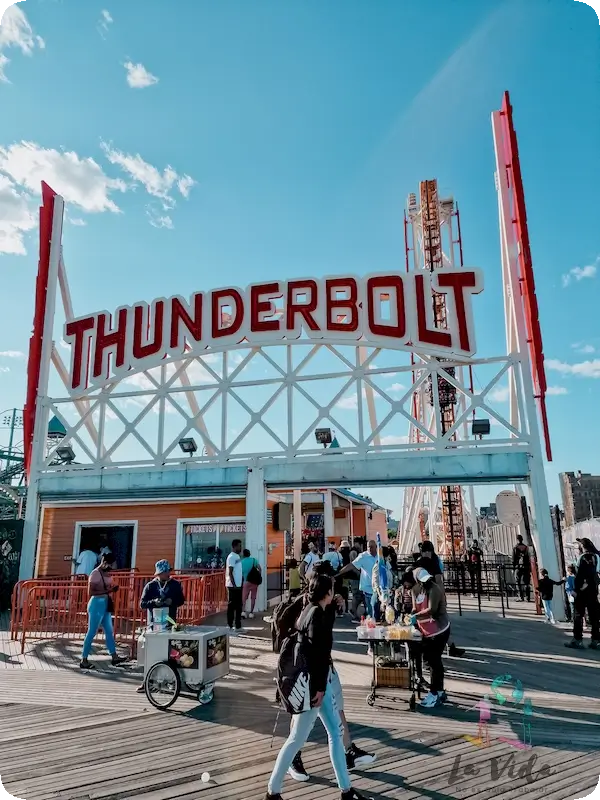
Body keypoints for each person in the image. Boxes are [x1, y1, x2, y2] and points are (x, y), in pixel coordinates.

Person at [266, 573, 373, 800]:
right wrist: (319, 689)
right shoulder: (316, 616)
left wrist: (333, 607)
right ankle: (272, 791)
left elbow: (321, 638)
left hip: (314, 686)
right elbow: (319, 653)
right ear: (327, 592)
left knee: (335, 732)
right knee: (297, 738)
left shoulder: (311, 611)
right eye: (332, 589)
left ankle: (346, 790)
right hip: (313, 688)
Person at [406, 567, 450, 708]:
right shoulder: (415, 590)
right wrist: (411, 614)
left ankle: (434, 693)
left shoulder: (435, 589)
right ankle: (440, 691)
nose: (425, 583)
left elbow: (432, 609)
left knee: (434, 661)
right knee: (432, 661)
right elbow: (415, 607)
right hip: (426, 631)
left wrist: (416, 616)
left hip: (439, 630)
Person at [80, 553, 128, 669]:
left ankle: (114, 656)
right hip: (96, 604)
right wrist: (109, 591)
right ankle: (84, 659)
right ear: (105, 563)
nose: (112, 567)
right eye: (111, 565)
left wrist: (111, 589)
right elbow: (91, 592)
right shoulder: (95, 573)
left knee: (109, 631)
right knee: (92, 631)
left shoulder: (106, 573)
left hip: (105, 605)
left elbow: (106, 587)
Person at [565, 537, 600, 650]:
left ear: (582, 547)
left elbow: (581, 575)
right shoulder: (597, 556)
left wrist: (576, 589)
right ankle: (596, 640)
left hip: (582, 590)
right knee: (594, 616)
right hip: (593, 590)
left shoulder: (583, 557)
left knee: (578, 615)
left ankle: (577, 640)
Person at [338, 539, 378, 619]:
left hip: (377, 587)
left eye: (371, 547)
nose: (369, 549)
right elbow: (351, 565)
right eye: (368, 547)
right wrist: (339, 573)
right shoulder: (363, 556)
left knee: (376, 609)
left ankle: (363, 614)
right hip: (367, 587)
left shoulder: (379, 556)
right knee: (370, 608)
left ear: (376, 547)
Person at [140, 560, 185, 625]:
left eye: (168, 571)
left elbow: (181, 600)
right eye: (165, 571)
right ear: (159, 573)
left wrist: (172, 601)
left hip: (170, 622)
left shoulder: (175, 584)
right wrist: (154, 602)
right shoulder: (150, 586)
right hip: (154, 623)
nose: (168, 573)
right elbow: (142, 604)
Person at [225, 539, 244, 632]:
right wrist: (234, 585)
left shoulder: (237, 556)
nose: (240, 548)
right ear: (234, 546)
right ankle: (229, 625)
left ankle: (238, 626)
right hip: (233, 586)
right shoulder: (231, 557)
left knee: (239, 606)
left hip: (238, 585)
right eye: (239, 546)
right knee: (232, 606)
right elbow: (230, 572)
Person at [241, 548, 262, 619]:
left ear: (243, 555)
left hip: (246, 582)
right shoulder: (254, 560)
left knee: (244, 598)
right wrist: (258, 576)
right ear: (249, 554)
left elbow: (241, 573)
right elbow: (260, 569)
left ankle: (243, 612)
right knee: (253, 598)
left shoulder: (242, 562)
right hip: (254, 582)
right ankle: (251, 613)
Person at [513, 534, 532, 602]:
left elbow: (514, 559)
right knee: (526, 583)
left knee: (517, 581)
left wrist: (513, 567)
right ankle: (528, 597)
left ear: (517, 540)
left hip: (518, 567)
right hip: (526, 566)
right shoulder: (526, 547)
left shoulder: (515, 548)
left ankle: (520, 596)